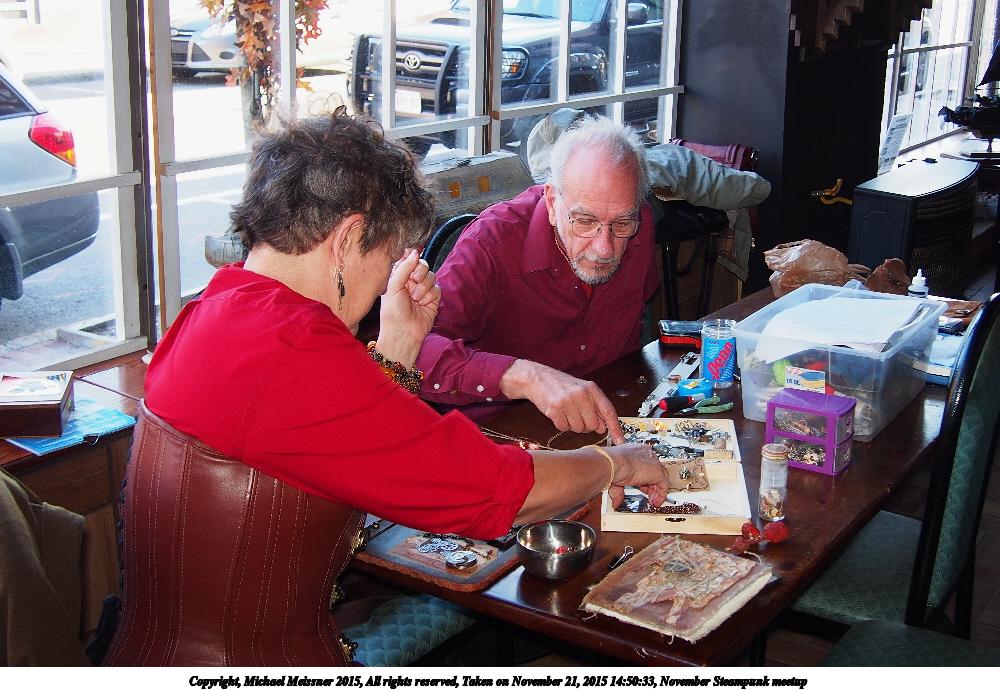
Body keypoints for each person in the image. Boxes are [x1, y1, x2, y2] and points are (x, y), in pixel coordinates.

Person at [105, 109, 671, 666]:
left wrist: (398, 343)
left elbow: (335, 436)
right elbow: (494, 489)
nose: (385, 280)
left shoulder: (219, 308)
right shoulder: (295, 355)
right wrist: (617, 463)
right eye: (388, 256)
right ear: (349, 238)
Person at [415, 116, 658, 444]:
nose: (605, 248)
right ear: (553, 202)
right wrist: (526, 377)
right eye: (585, 221)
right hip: (501, 435)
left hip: (602, 418)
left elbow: (637, 316)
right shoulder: (490, 244)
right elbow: (416, 353)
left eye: (621, 224)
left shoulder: (639, 223)